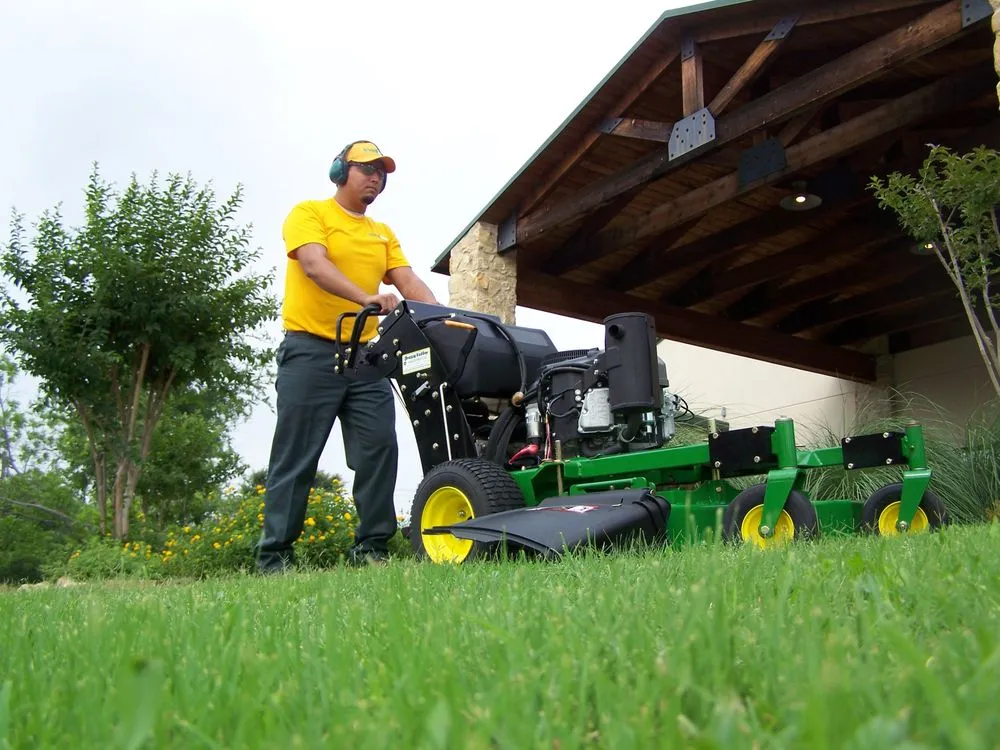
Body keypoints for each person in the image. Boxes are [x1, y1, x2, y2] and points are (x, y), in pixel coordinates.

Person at [256, 140, 440, 572]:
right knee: (296, 455)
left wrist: (442, 318)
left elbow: (408, 281)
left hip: (367, 359)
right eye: (366, 168)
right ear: (340, 171)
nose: (376, 177)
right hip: (310, 352)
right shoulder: (310, 214)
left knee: (379, 448)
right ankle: (275, 556)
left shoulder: (382, 233)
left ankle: (372, 549)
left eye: (382, 172)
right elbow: (314, 265)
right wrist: (367, 299)